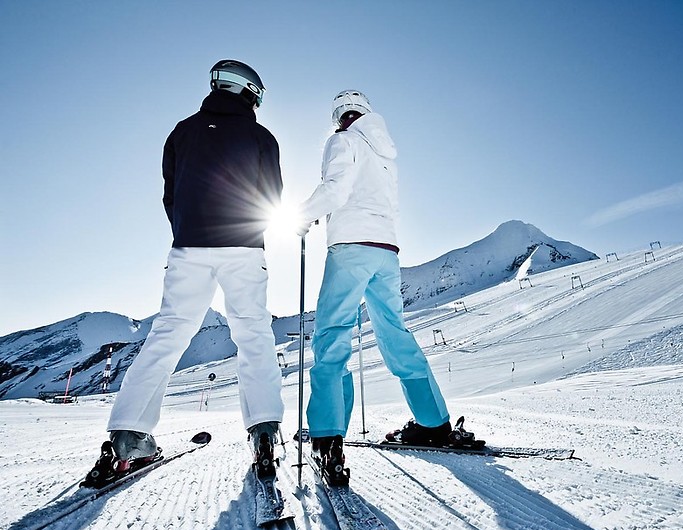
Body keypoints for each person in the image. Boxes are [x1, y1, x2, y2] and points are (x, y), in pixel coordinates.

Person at [84, 60, 285, 487]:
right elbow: (273, 195)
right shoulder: (261, 136)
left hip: (189, 247)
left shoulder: (182, 131)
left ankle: (128, 435)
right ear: (250, 93)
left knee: (169, 333)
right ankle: (264, 431)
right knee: (252, 333)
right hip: (243, 246)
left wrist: (189, 230)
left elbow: (170, 193)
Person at [295, 90, 452, 485]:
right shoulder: (385, 154)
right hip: (387, 251)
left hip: (351, 247)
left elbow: (335, 190)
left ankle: (327, 436)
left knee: (333, 334)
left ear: (338, 116)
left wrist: (302, 215)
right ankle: (433, 421)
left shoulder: (342, 140)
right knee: (394, 332)